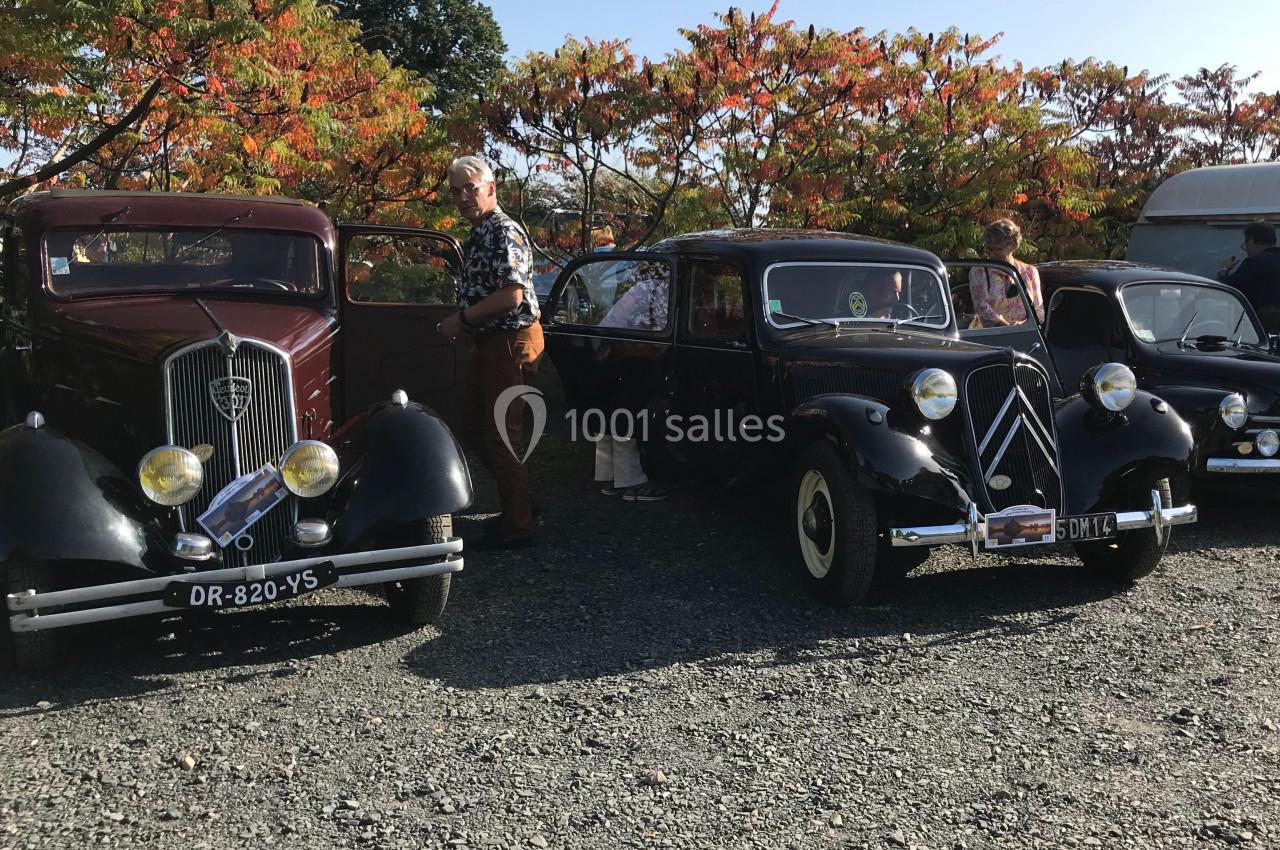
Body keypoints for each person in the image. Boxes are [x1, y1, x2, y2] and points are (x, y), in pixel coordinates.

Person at [436, 156, 543, 550]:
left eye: (470, 188)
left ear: (490, 188)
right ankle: (524, 503)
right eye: (455, 191)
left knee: (501, 434)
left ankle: (519, 526)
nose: (463, 197)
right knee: (472, 426)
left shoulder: (503, 231)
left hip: (512, 339)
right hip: (491, 341)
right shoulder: (478, 233)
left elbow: (511, 295)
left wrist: (460, 319)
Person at [593, 265, 670, 502]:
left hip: (610, 352)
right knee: (628, 417)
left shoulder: (642, 288)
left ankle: (609, 477)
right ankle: (632, 482)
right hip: (630, 356)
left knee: (611, 419)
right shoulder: (662, 290)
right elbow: (662, 336)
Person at [968, 219, 1045, 328]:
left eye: (997, 249)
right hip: (990, 336)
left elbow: (1039, 312)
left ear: (1013, 245)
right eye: (989, 249)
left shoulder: (1029, 272)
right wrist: (1006, 327)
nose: (992, 254)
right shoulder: (979, 271)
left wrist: (1022, 325)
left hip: (1024, 335)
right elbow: (981, 308)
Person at [1218, 221, 1280, 331]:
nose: (1246, 249)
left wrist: (1224, 269)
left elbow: (1227, 288)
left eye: (1246, 244)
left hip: (1263, 329)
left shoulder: (1256, 261)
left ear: (1252, 240)